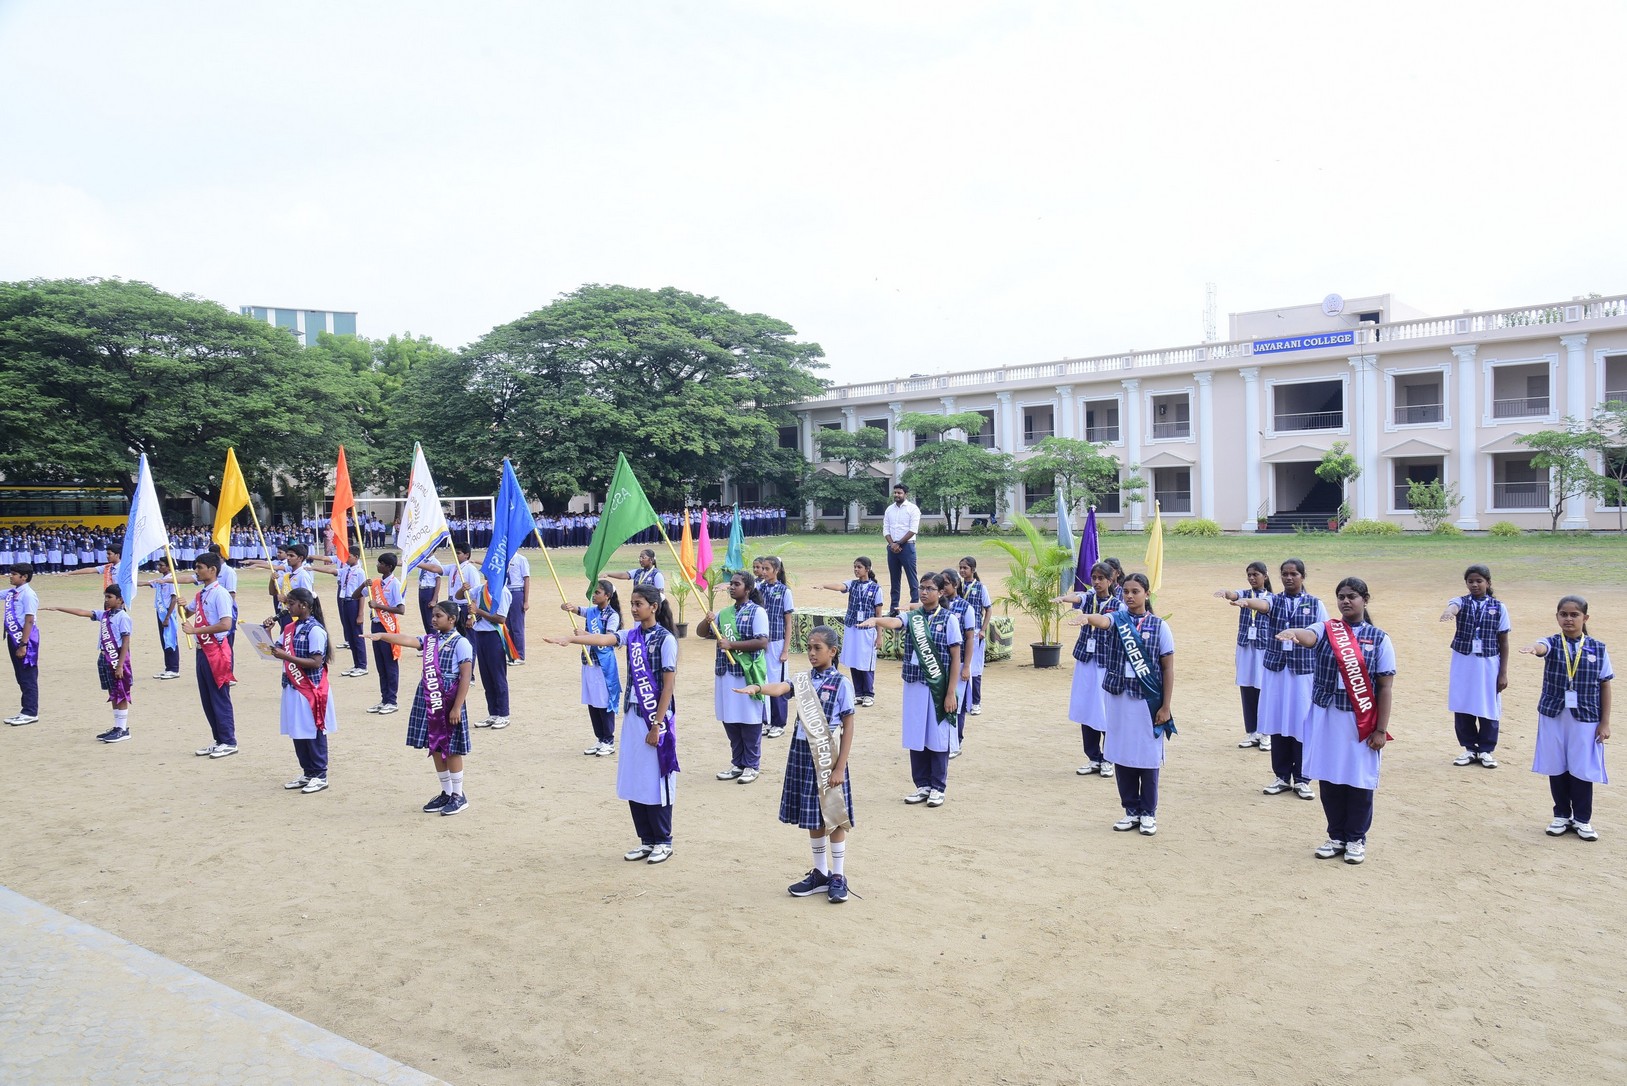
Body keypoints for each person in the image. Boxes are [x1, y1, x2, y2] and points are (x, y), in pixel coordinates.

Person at [544, 583, 680, 864]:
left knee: (655, 778)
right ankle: (646, 840)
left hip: (655, 719)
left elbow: (668, 687)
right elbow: (605, 639)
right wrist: (571, 639)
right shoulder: (632, 635)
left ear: (654, 607)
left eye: (639, 604)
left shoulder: (666, 640)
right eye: (632, 604)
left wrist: (656, 724)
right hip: (632, 716)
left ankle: (663, 840)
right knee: (634, 777)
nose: (633, 609)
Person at [1280, 576, 1395, 865]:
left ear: (1365, 600)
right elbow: (1310, 636)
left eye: (1352, 596)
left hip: (1361, 720)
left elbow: (1385, 687)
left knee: (1358, 780)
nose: (1346, 601)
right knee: (1330, 777)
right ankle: (1336, 836)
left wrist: (1381, 729)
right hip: (1328, 716)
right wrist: (1294, 633)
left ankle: (1355, 838)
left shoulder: (1380, 638)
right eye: (1341, 596)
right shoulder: (1327, 629)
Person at [738, 625, 857, 904]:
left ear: (833, 651)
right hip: (803, 752)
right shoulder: (803, 679)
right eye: (809, 648)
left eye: (818, 648)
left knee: (834, 812)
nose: (812, 653)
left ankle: (838, 875)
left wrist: (840, 767)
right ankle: (820, 873)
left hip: (828, 754)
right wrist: (758, 688)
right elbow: (782, 688)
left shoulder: (842, 683)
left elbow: (849, 726)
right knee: (813, 815)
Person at [1075, 573, 1175, 835]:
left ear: (1147, 594)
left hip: (1147, 701)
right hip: (1119, 698)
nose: (1130, 596)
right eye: (1126, 592)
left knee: (1147, 755)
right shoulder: (1117, 620)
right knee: (1122, 753)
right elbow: (1104, 621)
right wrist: (1089, 618)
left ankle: (1148, 813)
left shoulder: (1160, 626)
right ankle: (1131, 810)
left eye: (1135, 591)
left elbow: (1168, 668)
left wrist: (1165, 707)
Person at [859, 572, 961, 808]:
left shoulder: (949, 619)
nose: (923, 592)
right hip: (914, 685)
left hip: (938, 687)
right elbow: (896, 623)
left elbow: (956, 657)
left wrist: (950, 693)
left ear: (941, 592)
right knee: (917, 734)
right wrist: (876, 620)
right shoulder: (913, 617)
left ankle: (938, 787)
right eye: (921, 588)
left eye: (929, 588)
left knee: (937, 737)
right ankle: (922, 785)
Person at [367, 600, 475, 816]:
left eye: (438, 616)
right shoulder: (431, 639)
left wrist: (456, 707)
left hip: (449, 698)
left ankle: (458, 795)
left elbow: (465, 677)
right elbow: (408, 640)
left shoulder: (461, 643)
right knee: (435, 744)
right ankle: (446, 792)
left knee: (452, 748)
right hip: (429, 696)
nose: (433, 619)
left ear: (452, 619)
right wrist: (382, 636)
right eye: (433, 615)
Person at [1521, 595, 1612, 841]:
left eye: (1574, 615)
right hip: (1554, 714)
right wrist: (1534, 648)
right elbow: (1542, 646)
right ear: (1557, 617)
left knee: (1582, 767)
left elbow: (1605, 685)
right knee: (1557, 764)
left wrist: (1604, 722)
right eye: (1564, 614)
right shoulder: (1552, 642)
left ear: (1585, 618)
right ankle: (1561, 814)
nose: (1569, 619)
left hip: (1586, 717)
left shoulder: (1598, 648)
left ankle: (1582, 819)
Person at [1236, 559, 1325, 800]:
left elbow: (1322, 636)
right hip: (1277, 672)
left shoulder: (1315, 604)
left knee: (1301, 723)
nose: (1288, 578)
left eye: (1294, 574)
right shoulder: (1275, 600)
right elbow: (1263, 605)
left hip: (1303, 673)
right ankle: (1282, 776)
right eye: (1285, 574)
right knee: (1278, 720)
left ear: (1303, 576)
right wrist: (1247, 602)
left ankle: (1303, 779)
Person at [263, 587, 338, 794]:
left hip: (310, 689)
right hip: (292, 686)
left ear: (303, 605)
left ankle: (320, 774)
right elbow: (274, 651)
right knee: (298, 730)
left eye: (291, 603)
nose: (287, 607)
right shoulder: (290, 628)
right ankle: (308, 772)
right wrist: (266, 632)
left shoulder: (315, 630)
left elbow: (316, 662)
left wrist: (286, 656)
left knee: (313, 729)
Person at [698, 571, 770, 784]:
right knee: (730, 718)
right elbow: (703, 633)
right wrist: (707, 620)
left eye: (736, 584)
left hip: (747, 673)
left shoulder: (757, 612)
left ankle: (751, 764)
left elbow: (762, 642)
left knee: (749, 719)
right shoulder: (725, 613)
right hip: (725, 674)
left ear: (748, 589)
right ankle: (738, 763)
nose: (731, 587)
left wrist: (732, 645)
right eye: (731, 584)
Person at [1440, 564, 1510, 769]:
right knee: (1463, 702)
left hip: (1488, 663)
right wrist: (1449, 612)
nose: (1475, 585)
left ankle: (1486, 749)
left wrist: (1503, 673)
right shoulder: (1461, 602)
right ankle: (1470, 748)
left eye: (1479, 581)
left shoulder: (1499, 607)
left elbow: (1504, 641)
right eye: (1470, 581)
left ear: (1488, 582)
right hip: (1463, 661)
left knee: (1487, 704)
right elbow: (1453, 606)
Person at [1057, 561, 1123, 777]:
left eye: (1101, 578)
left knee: (1103, 710)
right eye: (1094, 578)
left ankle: (1109, 758)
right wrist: (1063, 598)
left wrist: (1088, 618)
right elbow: (1078, 598)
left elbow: (1110, 624)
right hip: (1086, 661)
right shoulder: (1089, 598)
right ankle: (1093, 757)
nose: (1096, 582)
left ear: (1110, 580)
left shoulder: (1118, 605)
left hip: (1105, 663)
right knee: (1087, 707)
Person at [45, 584, 134, 743]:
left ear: (120, 600)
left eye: (109, 597)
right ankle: (117, 726)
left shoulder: (123, 617)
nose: (106, 600)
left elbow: (126, 642)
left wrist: (120, 665)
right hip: (104, 657)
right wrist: (59, 608)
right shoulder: (105, 615)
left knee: (120, 693)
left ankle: (123, 729)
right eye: (105, 597)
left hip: (116, 659)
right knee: (113, 692)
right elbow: (82, 612)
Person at [177, 552, 237, 757]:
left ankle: (229, 741)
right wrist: (181, 606)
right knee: (207, 698)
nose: (196, 571)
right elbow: (187, 614)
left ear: (212, 570)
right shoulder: (201, 594)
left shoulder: (220, 594)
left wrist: (196, 630)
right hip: (202, 650)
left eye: (200, 567)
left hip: (216, 651)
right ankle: (219, 739)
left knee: (219, 697)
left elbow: (226, 624)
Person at [1213, 561, 1274, 752]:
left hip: (1264, 648)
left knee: (1263, 689)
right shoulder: (1245, 593)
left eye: (1256, 574)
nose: (1252, 578)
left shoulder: (1272, 598)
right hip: (1246, 647)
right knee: (1247, 688)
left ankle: (1266, 732)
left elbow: (1263, 607)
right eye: (1249, 575)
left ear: (1265, 576)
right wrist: (1226, 593)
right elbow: (1235, 595)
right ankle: (1252, 731)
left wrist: (1247, 603)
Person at [562, 580, 623, 757]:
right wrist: (567, 606)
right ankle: (600, 738)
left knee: (603, 702)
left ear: (607, 596)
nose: (594, 596)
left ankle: (608, 740)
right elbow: (576, 610)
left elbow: (609, 639)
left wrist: (585, 634)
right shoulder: (591, 611)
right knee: (592, 701)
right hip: (589, 662)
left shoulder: (613, 616)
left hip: (603, 665)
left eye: (597, 593)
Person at [816, 557, 883, 707]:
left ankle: (868, 693)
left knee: (865, 661)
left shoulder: (876, 589)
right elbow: (840, 586)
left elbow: (878, 614)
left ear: (867, 569)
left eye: (859, 567)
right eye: (855, 567)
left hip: (867, 630)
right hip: (852, 627)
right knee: (854, 659)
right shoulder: (852, 584)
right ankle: (858, 693)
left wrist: (879, 636)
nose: (856, 570)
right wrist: (824, 585)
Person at [938, 569, 978, 757]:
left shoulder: (965, 607)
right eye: (940, 584)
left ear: (955, 584)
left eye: (946, 583)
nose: (943, 587)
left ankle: (956, 742)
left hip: (959, 662)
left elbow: (970, 638)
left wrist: (967, 666)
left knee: (957, 704)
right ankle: (942, 742)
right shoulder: (937, 605)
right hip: (939, 664)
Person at [755, 556, 794, 739]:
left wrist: (785, 650)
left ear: (776, 570)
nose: (763, 572)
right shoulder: (759, 589)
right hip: (761, 641)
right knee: (762, 680)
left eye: (767, 569)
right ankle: (766, 721)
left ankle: (779, 722)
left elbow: (788, 623)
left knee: (777, 682)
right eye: (761, 568)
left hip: (777, 642)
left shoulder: (785, 591)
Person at [364, 552, 406, 715]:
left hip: (388, 627)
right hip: (376, 625)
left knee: (390, 664)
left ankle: (392, 701)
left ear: (388, 567)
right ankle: (384, 699)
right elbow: (356, 595)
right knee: (380, 665)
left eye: (380, 563)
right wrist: (363, 585)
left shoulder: (395, 584)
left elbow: (401, 609)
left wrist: (378, 606)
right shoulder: (376, 583)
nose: (377, 565)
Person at [471, 569, 512, 730]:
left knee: (497, 676)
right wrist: (463, 589)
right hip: (480, 635)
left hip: (494, 636)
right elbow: (462, 596)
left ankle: (503, 714)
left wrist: (478, 611)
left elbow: (501, 618)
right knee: (486, 677)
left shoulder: (502, 591)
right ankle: (493, 713)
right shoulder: (481, 589)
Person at [3, 563, 41, 726]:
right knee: (20, 675)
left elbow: (29, 620)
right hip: (14, 637)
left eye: (13, 574)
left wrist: (23, 644)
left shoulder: (28, 595)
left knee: (27, 675)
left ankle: (31, 712)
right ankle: (25, 710)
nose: (10, 576)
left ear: (24, 577)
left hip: (25, 639)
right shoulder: (13, 592)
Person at [959, 556, 992, 716]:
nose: (962, 571)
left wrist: (983, 630)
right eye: (960, 568)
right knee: (960, 666)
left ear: (973, 569)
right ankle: (963, 701)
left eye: (965, 568)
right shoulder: (957, 586)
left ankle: (976, 702)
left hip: (976, 632)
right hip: (960, 632)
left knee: (975, 669)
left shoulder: (980, 587)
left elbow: (988, 609)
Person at [882, 484, 921, 616]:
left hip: (907, 546)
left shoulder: (913, 509)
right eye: (895, 493)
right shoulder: (889, 510)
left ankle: (914, 607)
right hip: (892, 547)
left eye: (899, 493)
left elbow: (913, 530)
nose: (897, 495)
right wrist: (892, 544)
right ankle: (894, 609)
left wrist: (899, 543)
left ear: (905, 494)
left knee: (912, 578)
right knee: (894, 579)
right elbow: (886, 529)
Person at [145, 555, 184, 680]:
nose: (158, 567)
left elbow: (174, 599)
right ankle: (168, 668)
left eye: (161, 565)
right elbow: (147, 583)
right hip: (161, 613)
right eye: (158, 565)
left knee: (170, 639)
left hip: (168, 614)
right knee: (164, 640)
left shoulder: (171, 580)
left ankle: (174, 668)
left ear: (168, 566)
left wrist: (167, 617)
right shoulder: (162, 579)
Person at [335, 545, 369, 678]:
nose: (346, 559)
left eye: (348, 556)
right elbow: (333, 571)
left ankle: (362, 665)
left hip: (354, 603)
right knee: (350, 635)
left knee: (357, 635)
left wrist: (360, 614)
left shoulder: (360, 572)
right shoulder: (346, 570)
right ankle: (356, 664)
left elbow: (362, 594)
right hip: (345, 602)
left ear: (356, 557)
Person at [506, 549, 531, 663]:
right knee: (508, 625)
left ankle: (520, 656)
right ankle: (512, 655)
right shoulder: (504, 559)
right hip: (505, 591)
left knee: (517, 626)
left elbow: (526, 579)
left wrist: (526, 601)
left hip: (517, 592)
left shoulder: (521, 559)